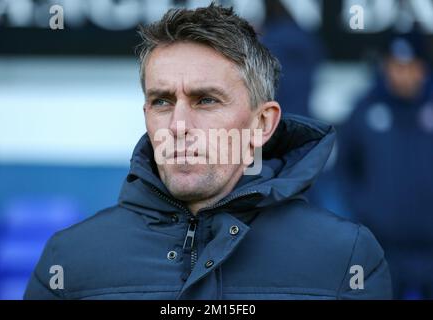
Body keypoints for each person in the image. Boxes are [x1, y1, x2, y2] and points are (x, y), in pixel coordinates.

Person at [24, 3, 392, 300]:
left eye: (205, 100)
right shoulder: (69, 262)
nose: (178, 125)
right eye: (162, 101)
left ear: (262, 124)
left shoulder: (345, 260)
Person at [338, 31, 433, 299]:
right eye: (395, 65)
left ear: (422, 68)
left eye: (408, 66)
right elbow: (344, 169)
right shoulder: (366, 110)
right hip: (382, 248)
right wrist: (364, 209)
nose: (401, 74)